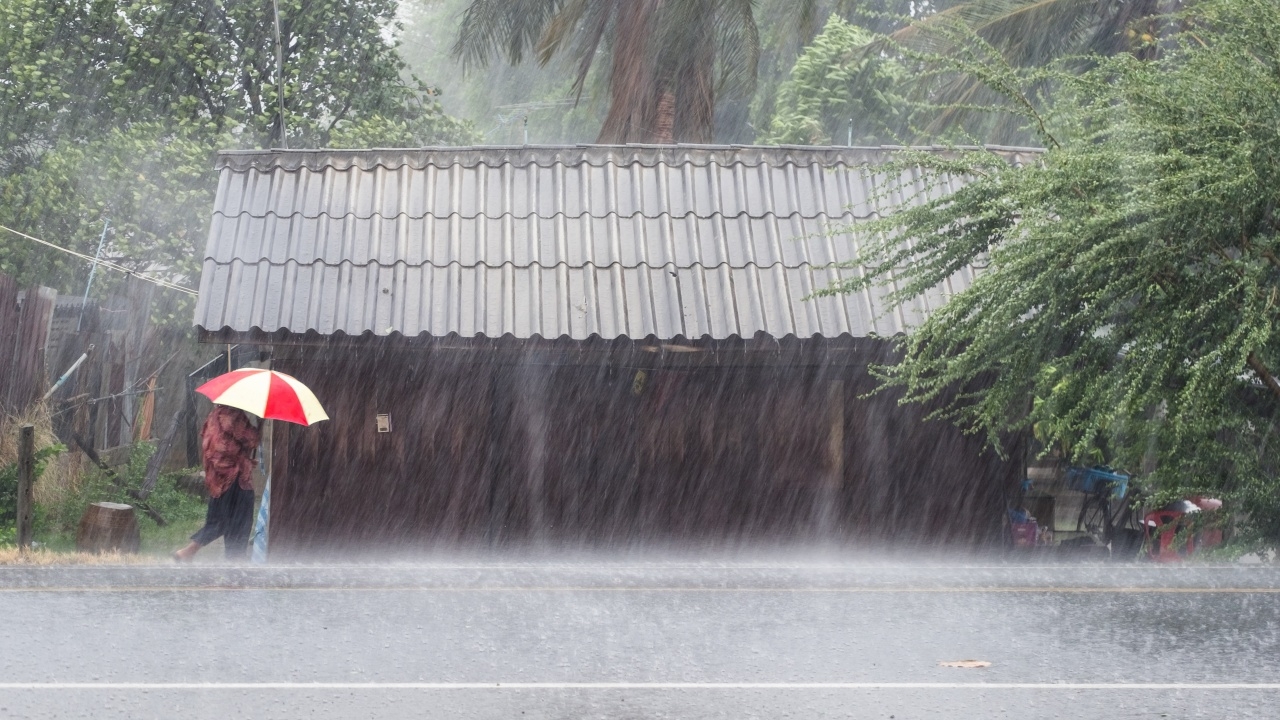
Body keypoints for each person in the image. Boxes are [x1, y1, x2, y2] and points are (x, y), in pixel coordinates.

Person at [173, 405, 261, 562]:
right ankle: (234, 565)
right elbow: (251, 439)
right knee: (239, 524)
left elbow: (219, 445)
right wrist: (259, 425)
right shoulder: (234, 417)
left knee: (217, 521)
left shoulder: (214, 416)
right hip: (236, 479)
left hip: (218, 479)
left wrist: (244, 456)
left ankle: (188, 552)